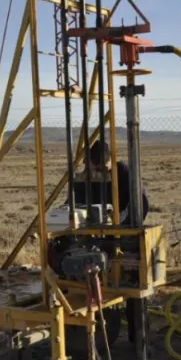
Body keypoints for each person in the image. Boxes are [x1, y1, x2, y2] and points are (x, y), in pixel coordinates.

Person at [67, 138, 150, 344]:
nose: (100, 172)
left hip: (126, 236)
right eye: (95, 167)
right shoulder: (88, 178)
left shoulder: (124, 172)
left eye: (102, 167)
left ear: (109, 160)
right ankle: (93, 330)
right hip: (100, 236)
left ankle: (138, 340)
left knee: (131, 285)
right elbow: (75, 203)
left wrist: (120, 224)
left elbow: (141, 204)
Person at [67, 139, 149, 227]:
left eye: (104, 168)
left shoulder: (123, 172)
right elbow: (72, 204)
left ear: (111, 160)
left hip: (120, 223)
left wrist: (125, 224)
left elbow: (141, 202)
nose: (101, 172)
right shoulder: (85, 178)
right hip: (92, 224)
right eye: (97, 169)